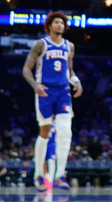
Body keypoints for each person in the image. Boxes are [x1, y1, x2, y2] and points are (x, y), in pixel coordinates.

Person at [23, 11, 82, 192]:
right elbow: (26, 69)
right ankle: (39, 174)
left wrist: (77, 82)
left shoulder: (69, 46)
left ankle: (60, 175)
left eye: (62, 23)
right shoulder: (41, 44)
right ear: (49, 26)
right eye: (56, 22)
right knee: (45, 133)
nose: (60, 26)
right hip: (45, 91)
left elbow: (69, 70)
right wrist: (35, 86)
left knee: (65, 132)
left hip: (63, 91)